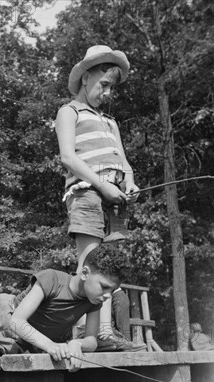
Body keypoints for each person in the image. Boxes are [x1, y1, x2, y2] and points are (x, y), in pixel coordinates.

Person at [55, 44, 140, 347]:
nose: (108, 92)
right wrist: (101, 185)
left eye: (112, 88)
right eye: (103, 84)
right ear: (86, 77)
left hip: (114, 201)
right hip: (86, 193)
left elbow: (123, 160)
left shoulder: (110, 121)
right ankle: (91, 335)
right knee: (91, 263)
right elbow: (68, 158)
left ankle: (104, 332)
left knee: (112, 265)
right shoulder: (69, 111)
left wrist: (128, 182)